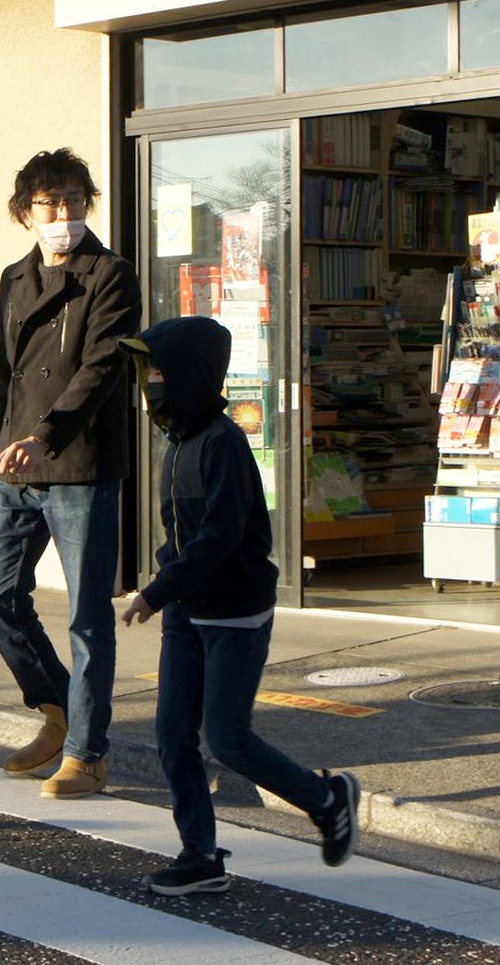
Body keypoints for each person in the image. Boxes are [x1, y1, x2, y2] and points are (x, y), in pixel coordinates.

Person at [118, 316, 360, 895]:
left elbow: (219, 537)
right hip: (187, 610)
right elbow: (180, 536)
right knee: (172, 735)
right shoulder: (178, 441)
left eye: (159, 371)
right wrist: (163, 587)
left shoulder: (223, 442)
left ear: (189, 375)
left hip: (233, 611)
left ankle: (326, 799)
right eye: (148, 372)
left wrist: (155, 592)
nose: (150, 382)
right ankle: (200, 855)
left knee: (227, 739)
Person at [0, 147, 141, 800]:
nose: (63, 213)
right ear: (26, 212)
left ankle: (87, 755)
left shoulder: (110, 274)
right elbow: (3, 376)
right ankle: (57, 710)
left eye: (72, 199)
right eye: (49, 203)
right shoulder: (13, 278)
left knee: (87, 617)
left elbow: (102, 369)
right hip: (13, 467)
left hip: (81, 466)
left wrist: (46, 437)